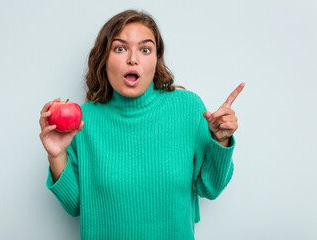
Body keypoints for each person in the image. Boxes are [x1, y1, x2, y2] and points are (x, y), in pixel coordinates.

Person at [39, 9, 244, 240]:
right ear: (103, 58)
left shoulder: (187, 107)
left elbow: (211, 188)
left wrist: (221, 140)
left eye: (145, 49)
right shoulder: (83, 121)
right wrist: (56, 155)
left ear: (156, 60)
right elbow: (76, 206)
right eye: (120, 48)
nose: (132, 59)